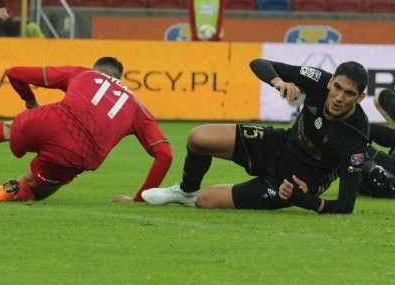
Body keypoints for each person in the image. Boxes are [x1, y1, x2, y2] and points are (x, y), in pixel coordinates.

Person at [0, 57, 173, 203]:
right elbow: (165, 155)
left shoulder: (82, 74)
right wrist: (139, 199)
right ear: (120, 79)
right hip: (78, 153)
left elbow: (15, 73)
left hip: (51, 119)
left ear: (97, 71)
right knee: (35, 188)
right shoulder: (138, 107)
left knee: (8, 128)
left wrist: (30, 102)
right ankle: (9, 190)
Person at [141, 59, 371, 214]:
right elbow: (259, 64)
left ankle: (197, 196)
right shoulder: (319, 79)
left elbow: (345, 205)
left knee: (205, 201)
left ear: (360, 98)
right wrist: (279, 82)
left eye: (349, 94)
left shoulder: (357, 135)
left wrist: (304, 200)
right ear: (330, 82)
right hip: (278, 145)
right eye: (337, 88)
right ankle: (185, 191)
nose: (339, 98)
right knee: (198, 137)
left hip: (291, 183)